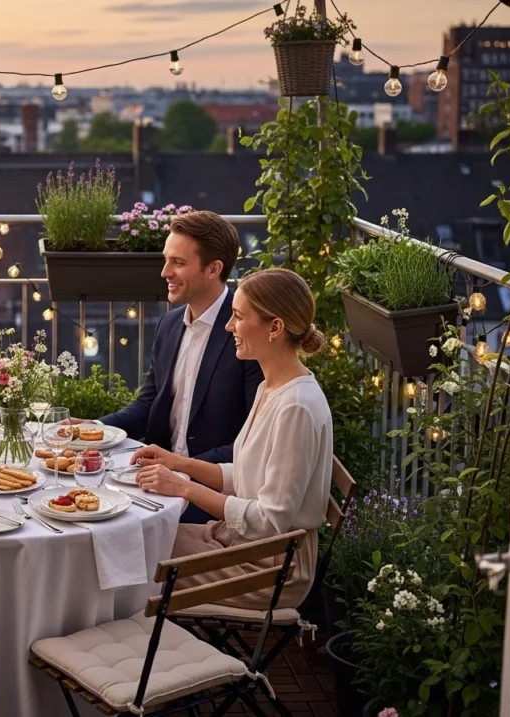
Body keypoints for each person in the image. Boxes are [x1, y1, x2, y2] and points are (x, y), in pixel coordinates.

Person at [131, 268, 332, 610]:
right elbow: (246, 475)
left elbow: (270, 522)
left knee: (131, 562)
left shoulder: (296, 407)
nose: (228, 327)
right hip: (241, 544)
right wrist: (178, 462)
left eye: (238, 317)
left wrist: (183, 487)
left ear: (275, 327)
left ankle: (145, 657)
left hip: (272, 568)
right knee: (135, 541)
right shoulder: (270, 388)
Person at [95, 210, 263, 523]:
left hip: (213, 497)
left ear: (214, 269)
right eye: (166, 259)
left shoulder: (246, 333)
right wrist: (93, 430)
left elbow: (252, 442)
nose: (164, 272)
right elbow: (147, 404)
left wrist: (182, 469)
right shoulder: (170, 324)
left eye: (178, 263)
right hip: (158, 481)